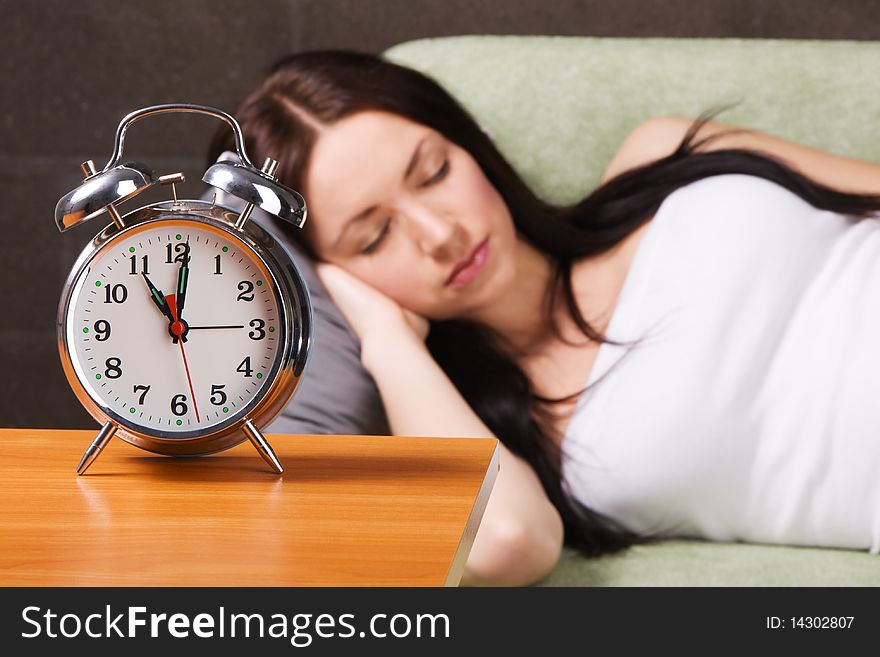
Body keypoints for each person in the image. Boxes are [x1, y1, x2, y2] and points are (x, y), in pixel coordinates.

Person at [208, 50, 880, 586]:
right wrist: (385, 340)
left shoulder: (665, 158)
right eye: (374, 236)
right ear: (335, 280)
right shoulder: (529, 445)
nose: (440, 233)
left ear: (471, 144)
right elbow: (506, 541)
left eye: (435, 170)